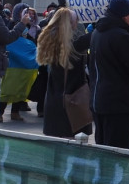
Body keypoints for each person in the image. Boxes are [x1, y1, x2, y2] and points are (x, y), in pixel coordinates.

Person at [89, 0, 129, 148]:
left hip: (99, 99)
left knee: (102, 146)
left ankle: (103, 172)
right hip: (118, 103)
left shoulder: (98, 32)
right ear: (123, 15)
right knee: (117, 150)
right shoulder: (121, 36)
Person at [36, 8, 92, 138]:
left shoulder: (50, 40)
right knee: (72, 148)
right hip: (71, 102)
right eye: (75, 20)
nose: (77, 22)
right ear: (68, 23)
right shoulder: (70, 47)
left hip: (54, 100)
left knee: (56, 148)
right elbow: (86, 40)